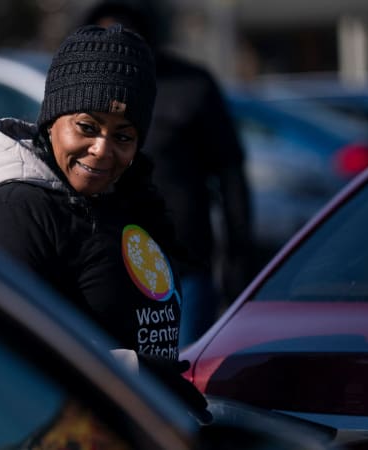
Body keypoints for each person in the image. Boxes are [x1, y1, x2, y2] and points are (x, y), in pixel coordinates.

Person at [0, 24, 209, 422]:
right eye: (87, 127)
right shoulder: (13, 213)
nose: (102, 149)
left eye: (123, 136)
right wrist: (136, 376)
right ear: (52, 120)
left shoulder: (122, 198)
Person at [81, 0, 255, 348]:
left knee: (182, 370)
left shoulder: (191, 86)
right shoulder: (86, 90)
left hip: (182, 263)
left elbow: (230, 172)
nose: (117, 44)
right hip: (109, 261)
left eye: (127, 33)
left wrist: (238, 252)